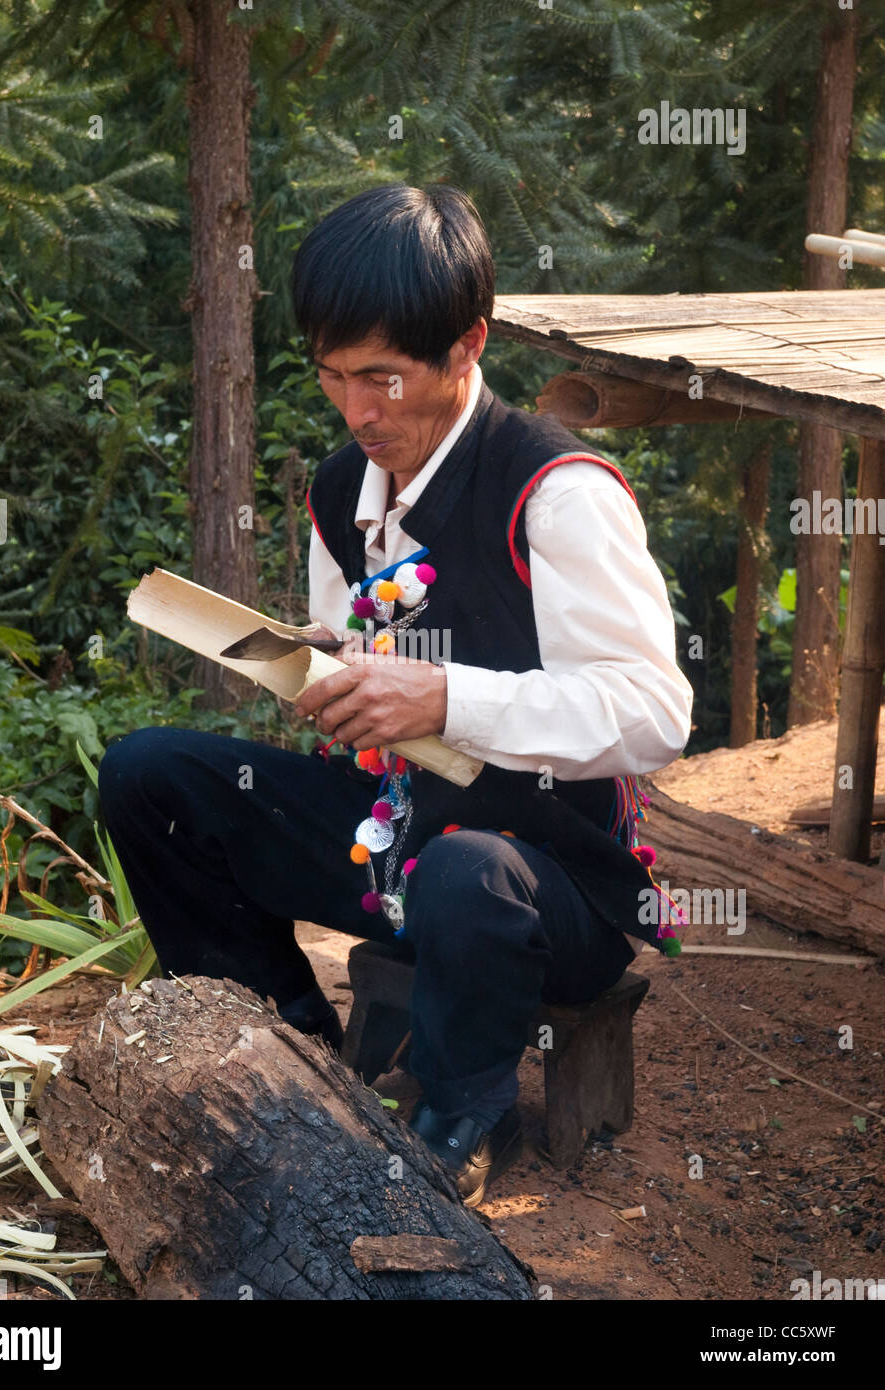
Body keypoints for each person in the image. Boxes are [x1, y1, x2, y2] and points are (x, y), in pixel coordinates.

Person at [98, 183, 693, 1207]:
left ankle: (464, 1113)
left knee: (469, 872)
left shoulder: (558, 495)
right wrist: (327, 671)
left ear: (467, 346)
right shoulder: (344, 488)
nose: (359, 412)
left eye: (384, 378)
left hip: (546, 879)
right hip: (396, 836)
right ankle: (280, 1037)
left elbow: (654, 713)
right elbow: (369, 645)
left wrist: (448, 700)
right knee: (149, 776)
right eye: (333, 376)